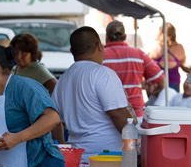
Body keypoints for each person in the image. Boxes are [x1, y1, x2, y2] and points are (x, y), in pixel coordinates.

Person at [52, 27, 131, 157]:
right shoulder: (103, 74)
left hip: (78, 157)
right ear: (99, 46)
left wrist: (63, 148)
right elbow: (118, 114)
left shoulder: (63, 79)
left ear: (72, 51)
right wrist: (136, 142)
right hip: (108, 158)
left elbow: (54, 120)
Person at [103, 20, 163, 117]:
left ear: (107, 37)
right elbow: (160, 80)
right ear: (125, 37)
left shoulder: (100, 56)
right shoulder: (138, 54)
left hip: (109, 114)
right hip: (135, 113)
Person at [149, 23, 187, 91]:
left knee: (159, 101)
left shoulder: (158, 48)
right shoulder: (180, 48)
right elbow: (183, 62)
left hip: (159, 83)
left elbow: (148, 61)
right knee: (173, 101)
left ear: (162, 34)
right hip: (174, 82)